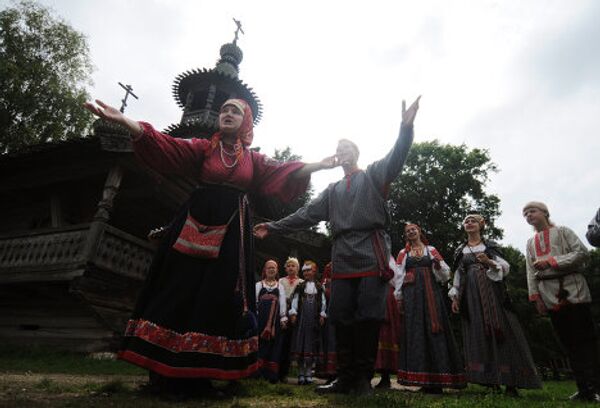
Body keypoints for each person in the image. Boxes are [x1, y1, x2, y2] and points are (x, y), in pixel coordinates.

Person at [83, 99, 335, 394]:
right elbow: (166, 145)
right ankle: (162, 371)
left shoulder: (254, 161)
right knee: (179, 289)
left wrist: (320, 164)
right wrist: (127, 122)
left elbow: (285, 170)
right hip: (193, 223)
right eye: (223, 109)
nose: (227, 113)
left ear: (245, 121)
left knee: (218, 294)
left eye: (235, 111)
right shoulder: (203, 148)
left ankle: (200, 372)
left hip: (231, 232)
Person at [254, 96, 420, 394]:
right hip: (342, 254)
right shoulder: (331, 191)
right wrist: (274, 226)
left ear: (356, 153)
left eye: (347, 148)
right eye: (338, 149)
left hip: (371, 251)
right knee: (341, 316)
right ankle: (344, 377)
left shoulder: (373, 175)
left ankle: (361, 379)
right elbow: (306, 215)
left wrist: (405, 129)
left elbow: (396, 158)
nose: (341, 151)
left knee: (368, 316)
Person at [449, 214, 541, 396]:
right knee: (478, 333)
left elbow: (505, 267)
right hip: (472, 297)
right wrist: (455, 297)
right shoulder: (460, 249)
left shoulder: (490, 246)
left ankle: (511, 382)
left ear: (481, 225)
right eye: (466, 221)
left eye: (473, 220)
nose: (469, 223)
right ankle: (490, 381)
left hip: (494, 294)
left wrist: (489, 262)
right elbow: (458, 276)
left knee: (504, 331)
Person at [523, 201, 599, 401]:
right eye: (525, 213)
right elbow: (530, 271)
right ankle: (584, 389)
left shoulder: (563, 231)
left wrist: (552, 261)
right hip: (548, 295)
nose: (528, 215)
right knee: (568, 343)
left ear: (545, 213)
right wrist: (535, 297)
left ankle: (595, 387)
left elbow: (582, 253)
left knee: (586, 340)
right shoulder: (530, 242)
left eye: (532, 211)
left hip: (574, 290)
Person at [395, 223, 465, 393]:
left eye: (414, 229)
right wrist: (398, 296)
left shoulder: (431, 250)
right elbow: (398, 275)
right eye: (407, 231)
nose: (411, 232)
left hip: (430, 293)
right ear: (406, 236)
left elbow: (445, 275)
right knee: (417, 331)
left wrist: (438, 266)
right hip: (412, 295)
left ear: (419, 232)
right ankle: (423, 379)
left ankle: (439, 379)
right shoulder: (403, 253)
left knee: (436, 329)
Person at [289, 261, 327, 385]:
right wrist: (293, 312)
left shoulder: (319, 287)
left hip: (314, 321)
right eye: (304, 271)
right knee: (301, 344)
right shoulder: (300, 286)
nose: (306, 273)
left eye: (308, 270)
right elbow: (295, 300)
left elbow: (323, 301)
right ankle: (300, 372)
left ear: (314, 271)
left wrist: (322, 313)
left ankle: (309, 372)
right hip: (301, 321)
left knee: (312, 345)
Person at [255, 260, 288, 383]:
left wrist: (283, 317)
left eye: (273, 268)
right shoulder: (258, 285)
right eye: (269, 268)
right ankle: (258, 373)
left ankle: (271, 375)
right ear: (265, 270)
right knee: (260, 344)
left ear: (277, 270)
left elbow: (283, 303)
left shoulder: (280, 286)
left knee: (273, 345)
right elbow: (254, 302)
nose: (271, 270)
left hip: (274, 322)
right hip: (260, 319)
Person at [277, 257, 304, 382]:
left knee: (293, 343)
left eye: (293, 266)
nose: (291, 268)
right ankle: (278, 371)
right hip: (282, 313)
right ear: (285, 268)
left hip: (296, 315)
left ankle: (295, 372)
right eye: (288, 266)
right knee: (282, 341)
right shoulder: (280, 281)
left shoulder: (302, 283)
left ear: (298, 268)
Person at [315, 262, 337, 382]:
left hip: (342, 312)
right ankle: (329, 372)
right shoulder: (328, 270)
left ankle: (338, 372)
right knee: (328, 341)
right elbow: (323, 293)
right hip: (329, 313)